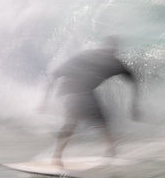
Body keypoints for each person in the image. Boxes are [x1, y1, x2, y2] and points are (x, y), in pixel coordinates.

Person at [42, 37, 140, 166]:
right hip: (73, 91)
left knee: (87, 122)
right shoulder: (101, 59)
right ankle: (111, 149)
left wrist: (134, 104)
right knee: (78, 122)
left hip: (80, 93)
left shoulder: (110, 62)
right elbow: (55, 74)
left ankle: (58, 156)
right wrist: (44, 102)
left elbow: (133, 80)